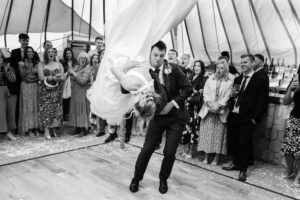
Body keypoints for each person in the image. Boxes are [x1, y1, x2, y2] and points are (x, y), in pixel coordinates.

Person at [129, 41, 193, 194]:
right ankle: (136, 178)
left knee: (169, 152)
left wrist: (172, 104)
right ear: (150, 54)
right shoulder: (144, 71)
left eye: (161, 55)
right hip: (157, 118)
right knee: (147, 149)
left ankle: (163, 179)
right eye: (155, 55)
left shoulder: (174, 68)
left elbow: (188, 89)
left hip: (175, 118)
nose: (158, 59)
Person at [223, 54, 268, 182]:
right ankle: (235, 163)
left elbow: (262, 100)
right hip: (234, 114)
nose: (242, 64)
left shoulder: (259, 78)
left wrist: (255, 118)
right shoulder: (237, 79)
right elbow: (232, 97)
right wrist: (232, 96)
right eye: (241, 62)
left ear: (253, 63)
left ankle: (243, 169)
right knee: (233, 141)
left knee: (244, 143)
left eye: (245, 62)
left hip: (248, 117)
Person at [198, 62, 233, 165]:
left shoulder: (229, 82)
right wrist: (209, 103)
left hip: (220, 112)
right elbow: (205, 93)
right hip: (208, 110)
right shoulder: (210, 80)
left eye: (221, 68)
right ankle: (206, 155)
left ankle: (216, 158)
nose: (219, 70)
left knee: (218, 136)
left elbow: (227, 96)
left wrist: (218, 106)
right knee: (207, 134)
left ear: (225, 70)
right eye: (217, 68)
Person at [9, 33, 40, 130]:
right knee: (22, 105)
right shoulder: (14, 52)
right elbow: (12, 67)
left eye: (27, 40)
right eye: (23, 40)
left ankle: (34, 126)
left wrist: (34, 79)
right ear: (19, 41)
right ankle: (22, 126)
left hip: (33, 83)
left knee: (34, 105)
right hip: (20, 82)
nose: (25, 42)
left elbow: (39, 69)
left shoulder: (34, 54)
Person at [37, 47, 64, 139]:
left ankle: (53, 129)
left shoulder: (59, 65)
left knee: (56, 110)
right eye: (49, 52)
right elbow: (41, 77)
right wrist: (50, 78)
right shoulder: (41, 64)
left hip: (57, 91)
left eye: (52, 52)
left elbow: (63, 77)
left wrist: (59, 78)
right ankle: (46, 130)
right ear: (46, 54)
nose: (51, 53)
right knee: (46, 110)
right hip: (45, 91)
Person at [181, 60, 206, 146]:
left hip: (195, 105)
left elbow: (203, 91)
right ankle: (185, 145)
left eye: (199, 66)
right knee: (186, 124)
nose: (196, 67)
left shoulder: (203, 78)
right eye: (195, 65)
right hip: (187, 103)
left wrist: (196, 91)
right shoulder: (191, 77)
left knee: (193, 125)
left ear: (202, 68)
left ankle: (191, 149)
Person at [281, 77, 300, 187]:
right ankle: (289, 171)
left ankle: (298, 177)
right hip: (295, 118)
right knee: (288, 148)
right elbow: (286, 101)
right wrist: (291, 89)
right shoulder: (296, 80)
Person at [68, 52, 92, 137]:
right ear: (79, 59)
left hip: (82, 93)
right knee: (76, 109)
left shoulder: (87, 69)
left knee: (82, 110)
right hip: (75, 92)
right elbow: (70, 76)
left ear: (87, 60)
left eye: (84, 58)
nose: (82, 59)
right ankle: (78, 127)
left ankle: (84, 128)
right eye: (81, 58)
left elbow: (83, 81)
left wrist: (74, 74)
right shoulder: (76, 67)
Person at [18, 46, 40, 136]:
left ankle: (36, 127)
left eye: (32, 51)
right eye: (28, 52)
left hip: (35, 86)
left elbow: (40, 76)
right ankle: (29, 129)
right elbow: (23, 77)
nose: (30, 53)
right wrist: (23, 66)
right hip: (26, 87)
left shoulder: (37, 63)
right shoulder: (21, 63)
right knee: (28, 107)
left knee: (35, 106)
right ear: (26, 53)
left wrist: (33, 79)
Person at [0, 50, 17, 141]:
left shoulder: (9, 68)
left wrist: (6, 70)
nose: (0, 59)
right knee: (1, 113)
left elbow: (13, 79)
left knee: (10, 112)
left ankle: (8, 132)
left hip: (8, 91)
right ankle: (4, 132)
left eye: (1, 57)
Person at [61, 47, 78, 122]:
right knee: (66, 100)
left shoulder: (76, 62)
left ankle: (73, 115)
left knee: (74, 99)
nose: (68, 55)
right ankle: (66, 116)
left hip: (75, 82)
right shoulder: (63, 63)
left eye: (69, 53)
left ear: (72, 53)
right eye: (66, 53)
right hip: (66, 83)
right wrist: (67, 73)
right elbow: (61, 74)